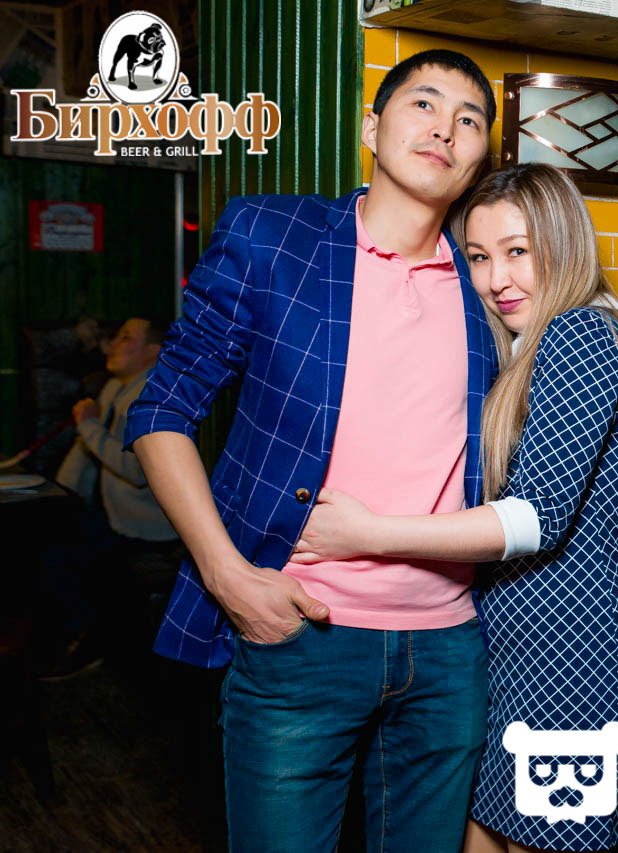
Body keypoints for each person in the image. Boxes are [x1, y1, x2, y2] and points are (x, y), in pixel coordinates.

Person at [124, 49, 498, 851]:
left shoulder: (490, 289)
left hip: (450, 653)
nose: (445, 128)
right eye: (424, 103)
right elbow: (160, 410)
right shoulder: (274, 236)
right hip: (301, 635)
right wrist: (227, 576)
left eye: (469, 119)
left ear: (478, 160)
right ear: (371, 126)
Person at [290, 163, 618, 853]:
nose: (497, 279)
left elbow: (537, 518)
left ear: (563, 242)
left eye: (519, 251)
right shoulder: (525, 343)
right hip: (519, 651)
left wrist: (367, 533)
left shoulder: (580, 332)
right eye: (479, 257)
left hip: (572, 660)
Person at [38, 316, 177, 677]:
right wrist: (61, 498)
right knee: (48, 543)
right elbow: (87, 454)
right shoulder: (117, 386)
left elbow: (134, 470)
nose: (113, 344)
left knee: (62, 561)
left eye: (126, 338)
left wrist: (87, 424)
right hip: (114, 514)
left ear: (153, 352)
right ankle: (89, 637)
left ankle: (91, 640)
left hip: (147, 529)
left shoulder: (152, 397)